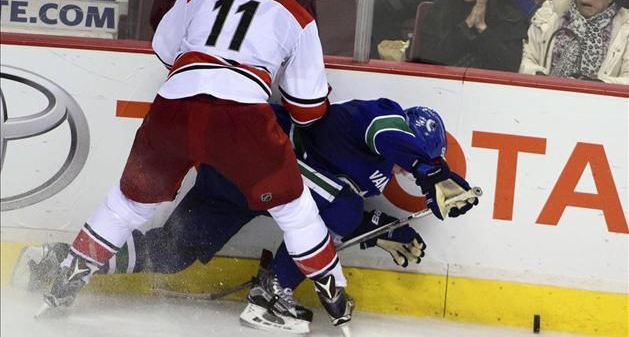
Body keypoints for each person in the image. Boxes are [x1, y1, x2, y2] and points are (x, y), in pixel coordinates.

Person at [41, 0, 354, 330]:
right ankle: (334, 294)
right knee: (294, 208)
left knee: (129, 203)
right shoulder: (298, 15)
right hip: (242, 119)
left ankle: (71, 273)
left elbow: (165, 49)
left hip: (174, 109)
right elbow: (307, 109)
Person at [25, 98, 480, 334]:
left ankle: (54, 262)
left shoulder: (385, 162)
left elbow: (321, 202)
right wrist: (429, 170)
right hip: (252, 163)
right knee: (343, 205)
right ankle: (269, 295)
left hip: (235, 184)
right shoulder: (381, 119)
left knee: (171, 253)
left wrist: (377, 233)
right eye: (419, 152)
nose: (410, 162)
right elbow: (378, 142)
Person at [519, 0, 629, 84]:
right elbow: (526, 59)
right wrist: (540, 77)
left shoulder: (625, 26)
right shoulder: (550, 13)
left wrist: (598, 84)